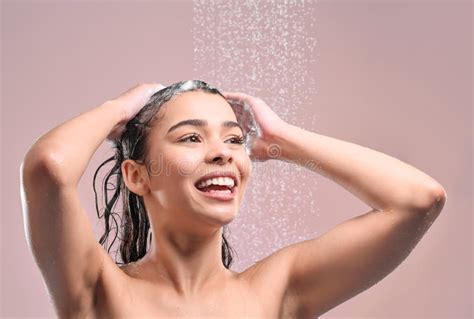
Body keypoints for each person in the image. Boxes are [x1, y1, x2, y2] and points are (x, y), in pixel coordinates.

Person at [20, 80, 447, 318]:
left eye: (234, 138)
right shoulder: (98, 290)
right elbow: (49, 168)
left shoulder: (275, 290)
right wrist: (119, 107)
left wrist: (281, 140)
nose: (224, 151)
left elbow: (417, 200)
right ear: (136, 176)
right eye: (191, 137)